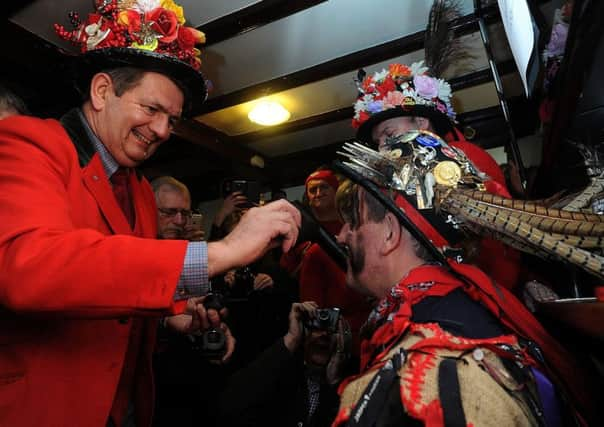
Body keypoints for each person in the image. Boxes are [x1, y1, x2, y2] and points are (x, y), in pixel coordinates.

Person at [0, 2, 300, 426]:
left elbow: (114, 287)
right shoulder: (30, 143)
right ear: (103, 91)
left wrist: (168, 318)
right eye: (151, 109)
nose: (162, 131)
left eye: (172, 120)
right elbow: (28, 269)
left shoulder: (140, 189)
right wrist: (223, 251)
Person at [330, 132, 598, 425]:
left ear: (390, 234)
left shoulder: (429, 370)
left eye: (354, 221)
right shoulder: (456, 308)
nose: (341, 234)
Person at [351, 61, 521, 289]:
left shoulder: (465, 155)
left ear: (421, 122)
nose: (382, 146)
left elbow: (498, 240)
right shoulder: (401, 173)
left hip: (480, 287)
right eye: (378, 141)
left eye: (388, 133)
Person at [282, 167, 373, 359]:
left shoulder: (359, 230)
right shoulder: (301, 237)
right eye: (312, 190)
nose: (317, 194)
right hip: (337, 335)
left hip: (370, 328)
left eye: (324, 188)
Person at [220, 301, 352, 427]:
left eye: (331, 327)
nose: (324, 334)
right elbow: (231, 401)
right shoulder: (282, 372)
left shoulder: (352, 386)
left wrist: (334, 385)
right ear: (304, 334)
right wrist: (291, 339)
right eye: (317, 325)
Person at [151, 176, 204, 241]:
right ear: (148, 210)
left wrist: (193, 246)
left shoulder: (188, 243)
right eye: (169, 212)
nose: (179, 221)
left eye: (184, 213)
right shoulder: (136, 244)